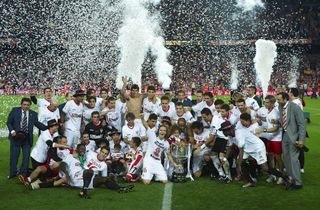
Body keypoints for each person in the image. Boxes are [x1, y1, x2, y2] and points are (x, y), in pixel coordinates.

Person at [220, 121, 290, 188]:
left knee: (265, 168)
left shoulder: (239, 134)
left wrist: (239, 162)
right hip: (247, 149)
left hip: (257, 148)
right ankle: (250, 182)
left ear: (228, 130)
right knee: (241, 163)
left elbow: (241, 150)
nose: (222, 133)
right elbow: (230, 147)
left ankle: (286, 177)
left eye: (223, 131)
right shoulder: (231, 135)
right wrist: (225, 159)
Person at [7, 98, 47, 178]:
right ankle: (12, 173)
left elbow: (37, 124)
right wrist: (12, 131)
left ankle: (23, 174)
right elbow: (9, 122)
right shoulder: (15, 110)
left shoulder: (33, 114)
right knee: (14, 157)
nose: (26, 106)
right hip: (16, 137)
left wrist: (48, 127)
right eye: (24, 104)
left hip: (27, 139)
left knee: (26, 158)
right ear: (21, 104)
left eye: (28, 105)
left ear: (30, 105)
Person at [276, 92, 306, 189]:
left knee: (293, 160)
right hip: (284, 136)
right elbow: (284, 122)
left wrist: (301, 139)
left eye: (279, 99)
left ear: (285, 99)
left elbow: (302, 124)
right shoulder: (280, 107)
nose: (278, 101)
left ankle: (298, 182)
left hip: (294, 137)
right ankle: (290, 179)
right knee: (287, 159)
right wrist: (277, 122)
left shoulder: (295, 107)